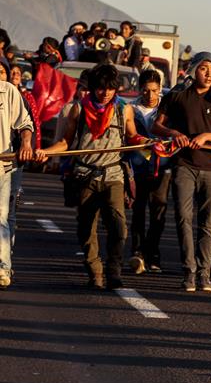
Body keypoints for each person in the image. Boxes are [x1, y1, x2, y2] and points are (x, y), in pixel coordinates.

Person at [37, 64, 143, 290]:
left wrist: (154, 144)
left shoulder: (124, 110)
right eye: (101, 88)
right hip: (84, 176)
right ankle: (95, 271)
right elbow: (66, 143)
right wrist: (44, 152)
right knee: (86, 228)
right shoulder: (78, 109)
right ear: (93, 88)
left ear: (116, 89)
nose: (105, 93)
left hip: (114, 175)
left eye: (110, 88)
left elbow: (134, 138)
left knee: (118, 226)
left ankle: (114, 270)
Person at [151, 52, 211, 293]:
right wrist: (173, 134)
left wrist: (207, 136)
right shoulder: (178, 94)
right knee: (183, 218)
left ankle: (204, 273)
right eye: (203, 68)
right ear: (193, 70)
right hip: (183, 165)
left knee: (207, 222)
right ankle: (188, 271)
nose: (208, 73)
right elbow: (156, 124)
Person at [127, 69, 171, 274]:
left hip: (162, 167)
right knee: (137, 210)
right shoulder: (129, 109)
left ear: (159, 89)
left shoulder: (168, 107)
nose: (150, 95)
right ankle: (137, 252)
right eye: (145, 91)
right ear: (139, 89)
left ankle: (153, 253)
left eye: (154, 91)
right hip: (137, 166)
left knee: (158, 211)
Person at [0, 68, 34, 289]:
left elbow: (25, 124)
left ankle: (2, 268)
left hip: (3, 165)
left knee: (1, 217)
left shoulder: (8, 91)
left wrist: (26, 143)